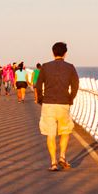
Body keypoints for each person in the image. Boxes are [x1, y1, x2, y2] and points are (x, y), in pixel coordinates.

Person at [34, 42, 80, 171]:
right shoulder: (70, 67)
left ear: (52, 52)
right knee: (65, 131)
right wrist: (70, 98)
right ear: (65, 53)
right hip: (63, 103)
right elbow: (75, 85)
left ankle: (53, 162)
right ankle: (62, 157)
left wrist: (42, 99)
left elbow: (38, 85)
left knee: (50, 133)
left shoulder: (45, 67)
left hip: (48, 104)